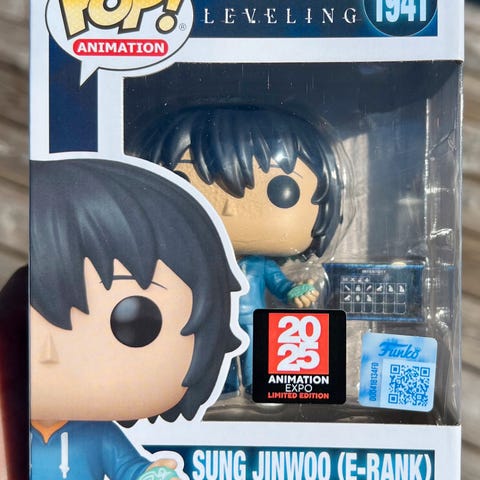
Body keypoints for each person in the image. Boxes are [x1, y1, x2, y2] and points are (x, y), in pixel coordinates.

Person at [30, 158, 245, 479]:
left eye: (132, 321)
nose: (48, 352)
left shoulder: (98, 433)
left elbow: (129, 469)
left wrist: (150, 473)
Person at [130, 105, 343, 395]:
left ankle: (255, 383)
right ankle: (223, 387)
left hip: (252, 321)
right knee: (217, 356)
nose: (229, 208)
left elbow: (281, 286)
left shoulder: (259, 265)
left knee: (255, 354)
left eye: (280, 188)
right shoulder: (196, 263)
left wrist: (297, 292)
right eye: (184, 182)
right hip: (209, 322)